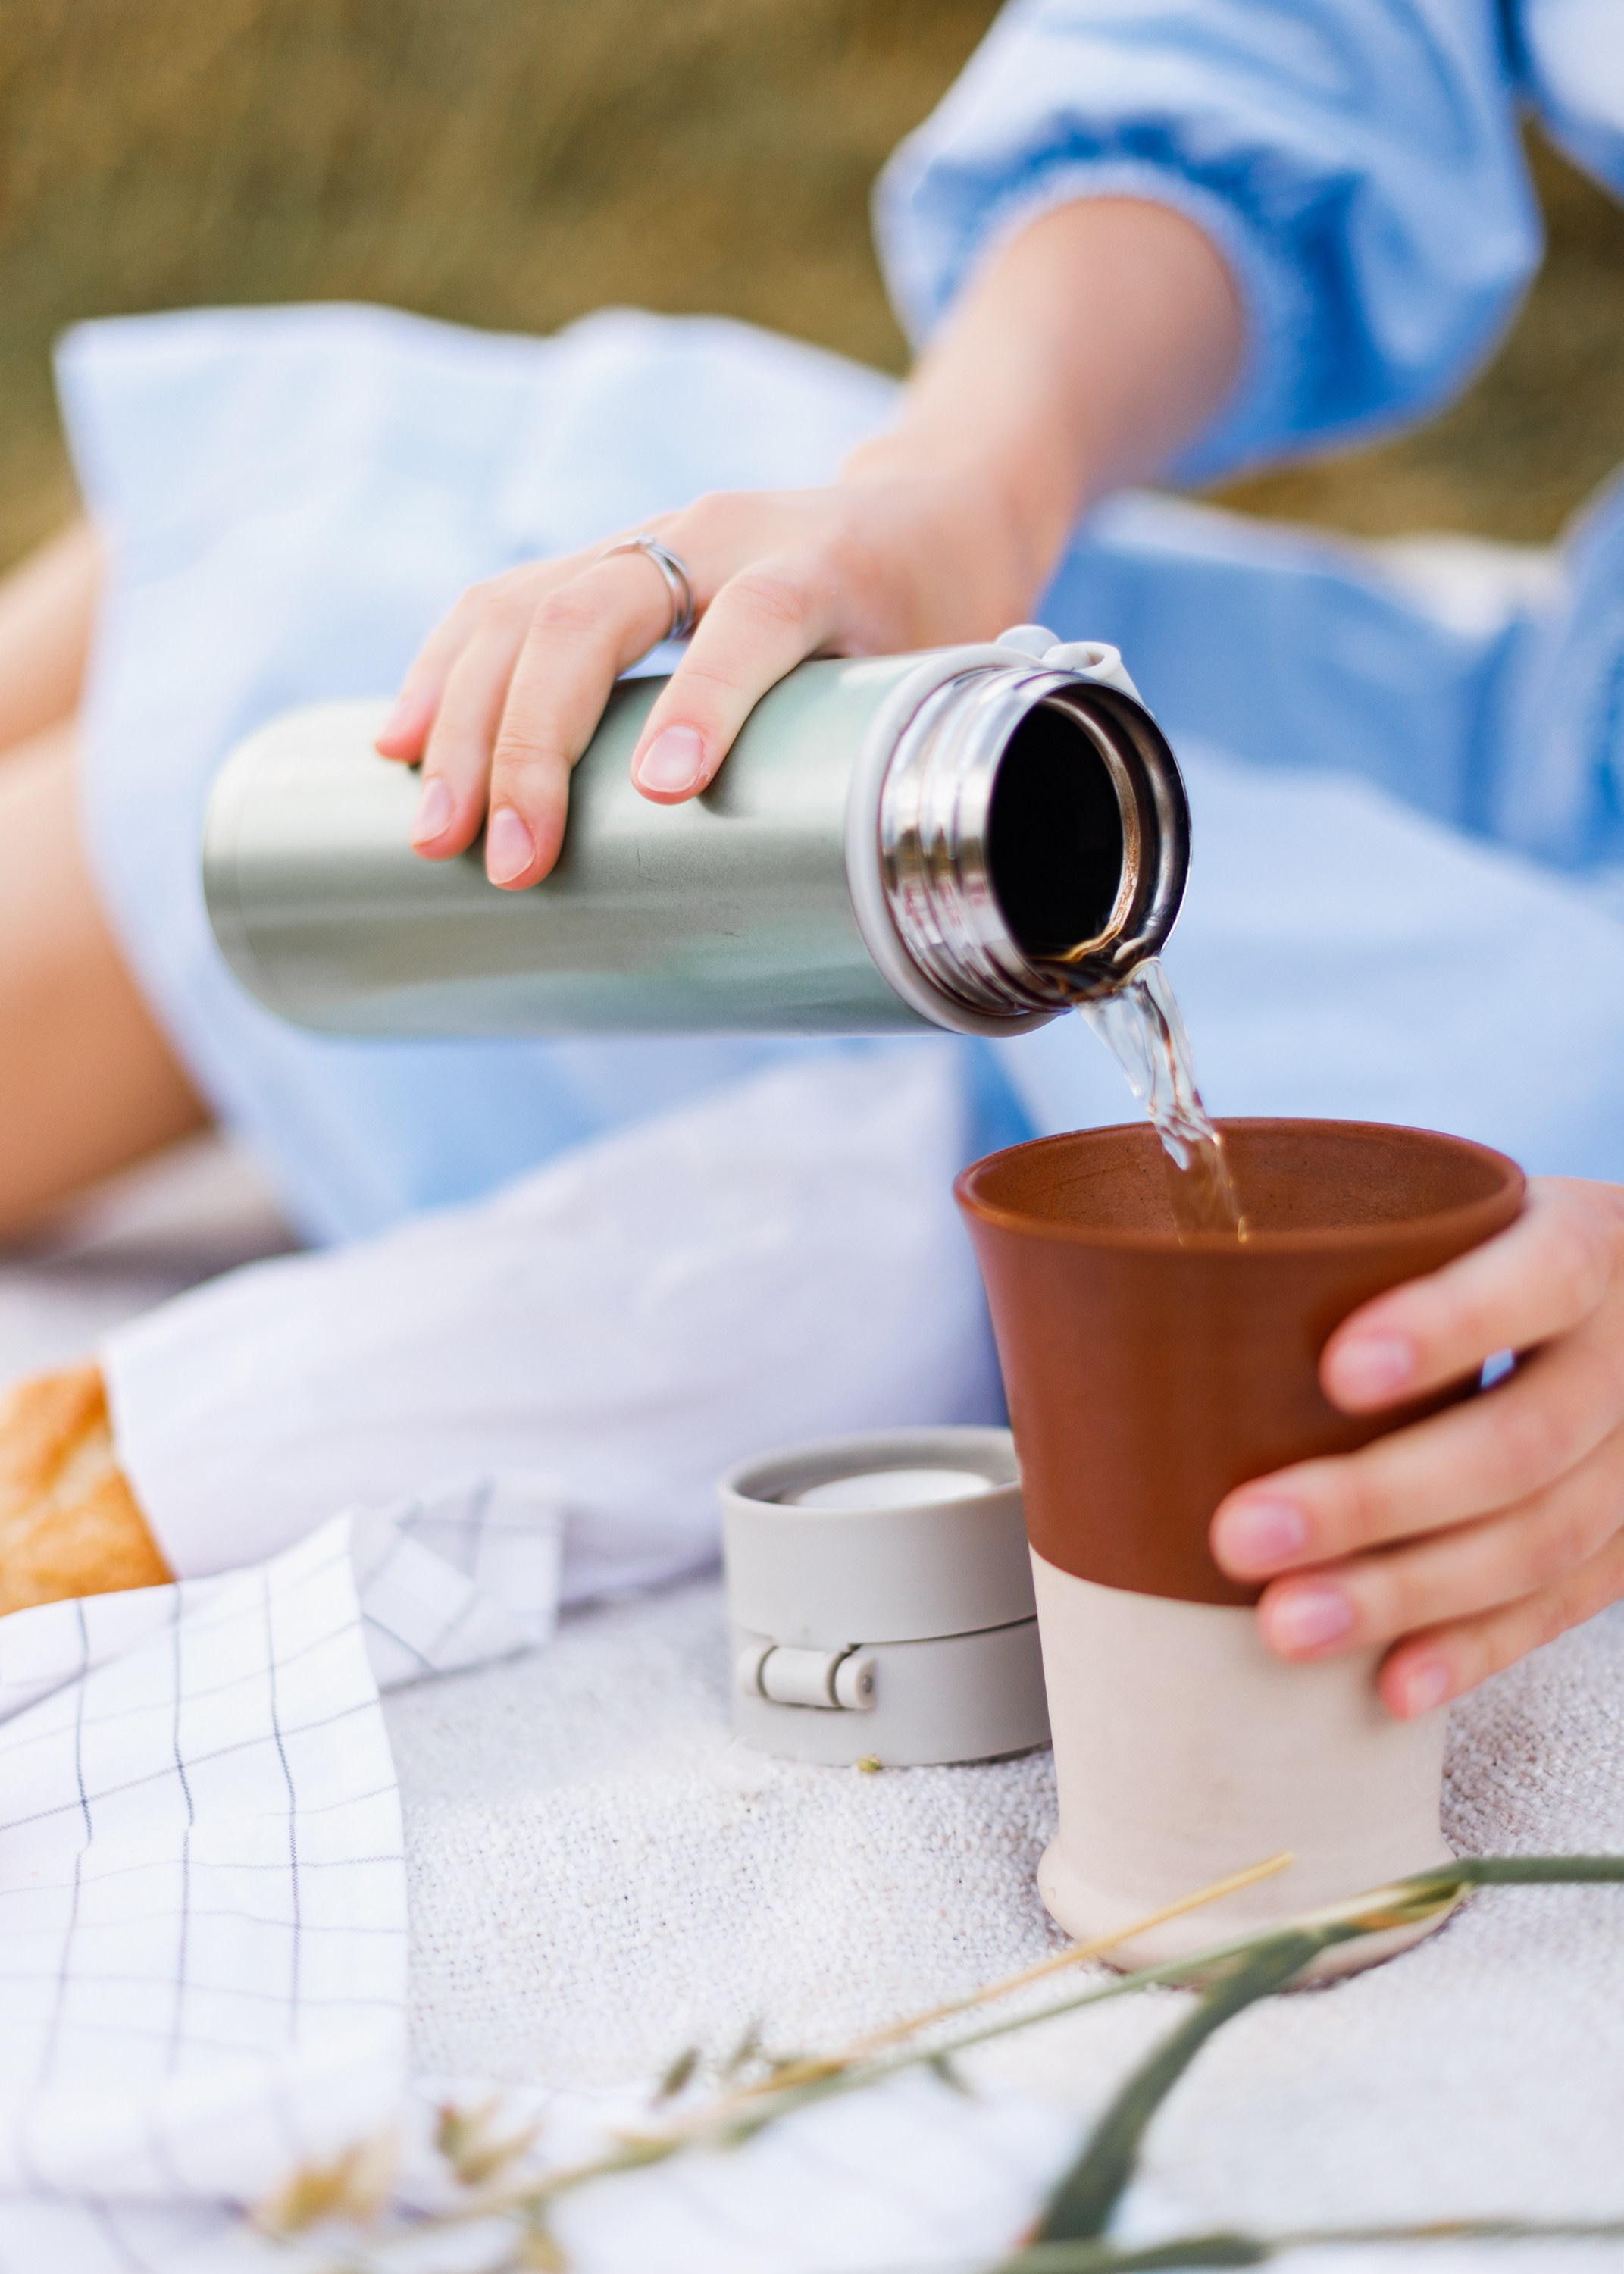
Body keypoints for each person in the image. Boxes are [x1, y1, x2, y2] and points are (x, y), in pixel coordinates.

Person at [1, 0, 1621, 1718]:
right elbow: (1288, 41)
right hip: (1540, 727)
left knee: (463, 772)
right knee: (579, 531)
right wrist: (962, 491)